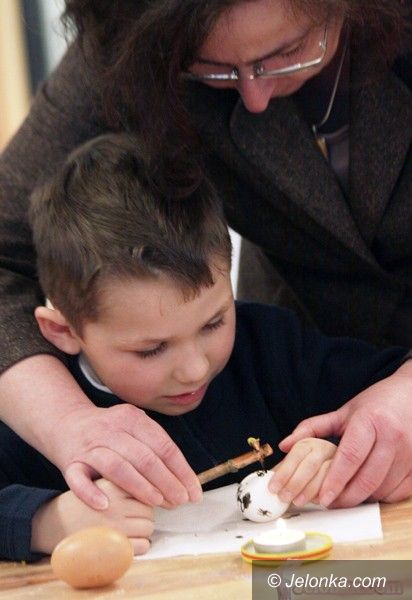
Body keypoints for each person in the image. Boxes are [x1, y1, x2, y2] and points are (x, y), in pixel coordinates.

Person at [0, 0, 411, 512]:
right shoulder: (124, 45)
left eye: (289, 51)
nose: (255, 97)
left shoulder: (270, 356)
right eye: (213, 68)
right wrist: (66, 423)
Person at [0, 132, 405, 561]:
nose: (195, 369)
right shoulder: (32, 416)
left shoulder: (270, 347)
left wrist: (340, 450)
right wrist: (48, 522)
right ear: (63, 331)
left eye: (213, 323)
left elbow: (393, 387)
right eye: (152, 349)